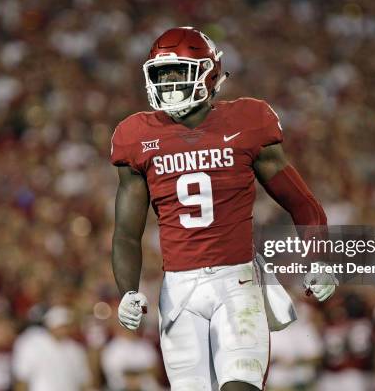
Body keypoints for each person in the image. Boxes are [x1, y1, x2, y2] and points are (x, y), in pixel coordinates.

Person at [110, 26, 336, 391]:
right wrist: (126, 290)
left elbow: (302, 203)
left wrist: (319, 258)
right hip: (179, 290)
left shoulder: (245, 122)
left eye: (179, 73)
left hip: (237, 282)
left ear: (208, 73)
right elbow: (125, 232)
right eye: (161, 75)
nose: (168, 84)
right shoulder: (137, 136)